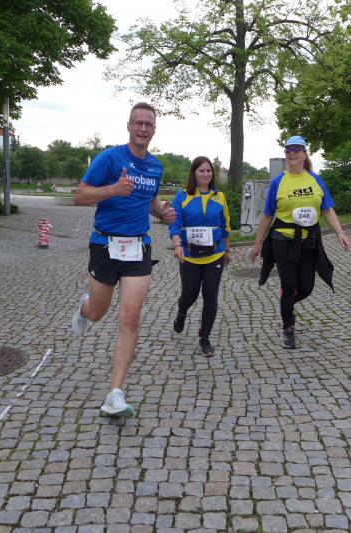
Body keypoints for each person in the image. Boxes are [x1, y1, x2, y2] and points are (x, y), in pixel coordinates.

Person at [70, 102, 176, 418]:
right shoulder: (110, 158)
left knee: (130, 317)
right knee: (98, 312)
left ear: (154, 130)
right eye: (138, 123)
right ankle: (84, 307)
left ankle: (114, 393)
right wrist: (113, 190)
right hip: (105, 244)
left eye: (148, 124)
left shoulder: (155, 167)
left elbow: (150, 202)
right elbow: (79, 196)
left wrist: (162, 212)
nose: (143, 128)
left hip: (138, 248)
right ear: (128, 126)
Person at [249, 136, 350, 349]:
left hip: (309, 240)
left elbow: (327, 209)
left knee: (306, 287)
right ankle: (288, 327)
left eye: (296, 149)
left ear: (304, 153)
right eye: (288, 150)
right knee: (288, 284)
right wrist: (257, 245)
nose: (292, 153)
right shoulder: (278, 182)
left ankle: (285, 303)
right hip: (282, 239)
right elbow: (267, 215)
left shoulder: (315, 180)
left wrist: (340, 232)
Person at [169, 156, 231, 358]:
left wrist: (227, 250)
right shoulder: (182, 196)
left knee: (211, 295)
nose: (206, 174)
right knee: (190, 294)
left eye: (209, 170)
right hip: (189, 256)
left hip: (215, 254)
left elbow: (225, 226)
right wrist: (177, 244)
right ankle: (181, 313)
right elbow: (175, 224)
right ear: (194, 173)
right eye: (201, 170)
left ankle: (205, 338)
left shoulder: (219, 196)